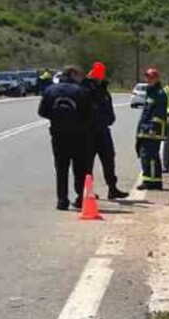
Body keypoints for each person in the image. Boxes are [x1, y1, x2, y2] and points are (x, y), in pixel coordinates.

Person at [38, 65, 93, 210]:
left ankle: (62, 200)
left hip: (58, 135)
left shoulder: (50, 90)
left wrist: (56, 118)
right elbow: (89, 114)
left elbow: (42, 112)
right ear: (73, 74)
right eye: (79, 75)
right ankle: (81, 198)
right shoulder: (81, 91)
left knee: (61, 168)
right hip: (79, 135)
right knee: (79, 168)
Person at [83, 61, 129, 200]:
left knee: (109, 159)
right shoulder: (86, 89)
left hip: (103, 130)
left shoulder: (103, 88)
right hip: (89, 131)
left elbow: (107, 107)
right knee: (87, 163)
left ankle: (112, 189)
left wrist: (109, 118)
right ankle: (87, 191)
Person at [135, 67, 167, 190]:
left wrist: (153, 128)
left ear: (156, 78)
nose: (148, 79)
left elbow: (159, 114)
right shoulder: (151, 91)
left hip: (152, 130)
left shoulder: (159, 93)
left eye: (151, 77)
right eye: (147, 77)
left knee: (149, 155)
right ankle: (152, 180)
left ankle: (151, 182)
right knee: (146, 155)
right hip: (145, 128)